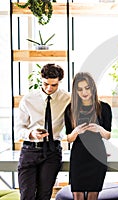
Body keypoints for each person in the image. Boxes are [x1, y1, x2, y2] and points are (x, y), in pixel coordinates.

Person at [16, 63, 70, 200]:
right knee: (26, 195)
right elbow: (18, 129)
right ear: (41, 79)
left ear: (59, 82)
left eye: (54, 85)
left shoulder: (67, 99)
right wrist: (31, 134)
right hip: (30, 150)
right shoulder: (28, 99)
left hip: (52, 151)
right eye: (46, 84)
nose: (49, 88)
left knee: (44, 196)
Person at [64, 72, 112, 200]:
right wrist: (76, 132)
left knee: (93, 195)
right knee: (77, 195)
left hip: (97, 156)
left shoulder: (104, 108)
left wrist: (99, 129)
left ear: (92, 88)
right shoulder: (70, 109)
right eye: (79, 89)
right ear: (75, 91)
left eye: (87, 88)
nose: (84, 92)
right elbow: (69, 138)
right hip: (78, 156)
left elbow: (108, 135)